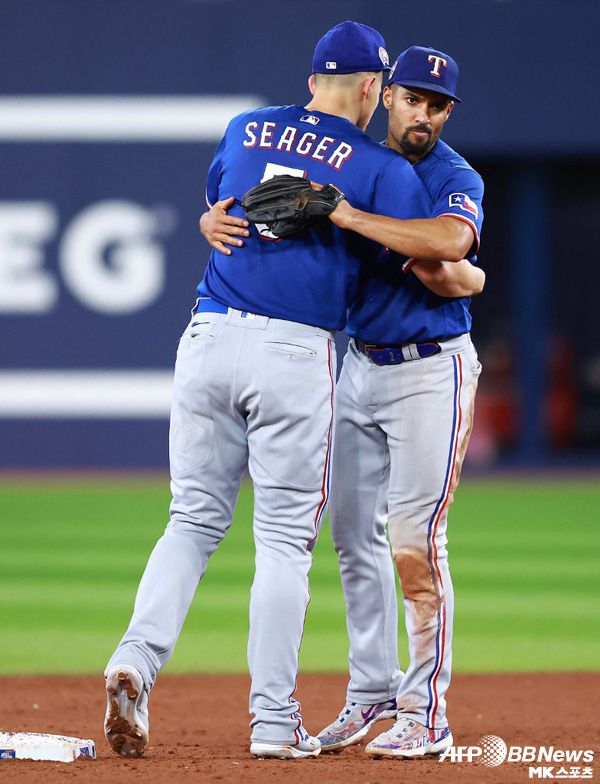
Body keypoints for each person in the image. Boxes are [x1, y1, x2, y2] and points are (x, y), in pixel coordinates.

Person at [103, 21, 434, 762]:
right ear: (374, 88)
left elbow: (223, 210)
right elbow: (431, 249)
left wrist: (205, 220)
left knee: (191, 521)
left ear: (314, 78)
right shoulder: (381, 165)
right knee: (283, 541)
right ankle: (274, 723)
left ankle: (135, 659)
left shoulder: (246, 125)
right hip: (295, 348)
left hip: (210, 334)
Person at [202, 46, 485, 760]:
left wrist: (354, 219)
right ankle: (372, 692)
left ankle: (427, 712)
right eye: (413, 97)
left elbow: (453, 250)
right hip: (357, 365)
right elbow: (245, 203)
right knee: (353, 541)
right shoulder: (349, 158)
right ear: (384, 94)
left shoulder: (451, 175)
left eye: (438, 104)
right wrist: (212, 221)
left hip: (430, 371)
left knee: (416, 545)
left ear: (449, 112)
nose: (424, 113)